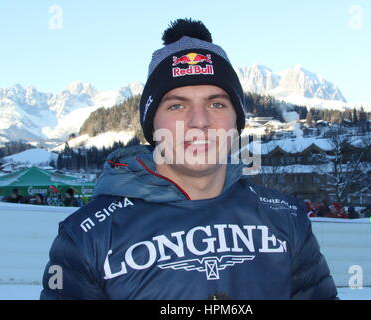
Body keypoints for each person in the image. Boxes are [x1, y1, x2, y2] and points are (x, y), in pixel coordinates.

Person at [40, 18, 337, 300]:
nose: (199, 121)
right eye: (177, 105)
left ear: (237, 122)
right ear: (152, 125)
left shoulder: (286, 219)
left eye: (217, 103)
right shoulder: (87, 236)